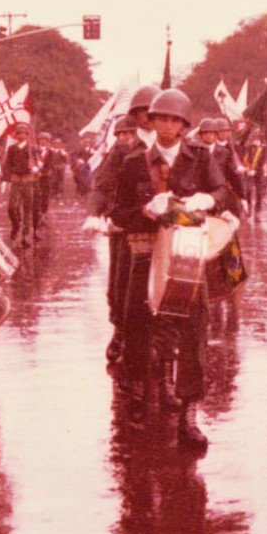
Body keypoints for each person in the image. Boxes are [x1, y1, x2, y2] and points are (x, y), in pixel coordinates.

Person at [109, 88, 229, 450]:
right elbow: (118, 213)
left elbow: (225, 192)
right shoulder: (133, 162)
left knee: (194, 332)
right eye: (161, 118)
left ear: (184, 125)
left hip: (189, 256)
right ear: (151, 121)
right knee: (137, 326)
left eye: (175, 120)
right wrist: (144, 211)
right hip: (146, 253)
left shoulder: (199, 157)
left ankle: (189, 413)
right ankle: (141, 393)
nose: (167, 126)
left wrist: (207, 198)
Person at [89, 85, 158, 369]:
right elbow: (103, 185)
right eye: (143, 112)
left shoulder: (172, 146)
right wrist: (96, 213)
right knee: (122, 286)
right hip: (127, 227)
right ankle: (120, 330)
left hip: (165, 229)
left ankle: (160, 341)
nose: (149, 117)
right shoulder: (123, 149)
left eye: (154, 112)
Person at [3, 123, 38, 247]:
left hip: (28, 180)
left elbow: (37, 163)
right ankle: (16, 225)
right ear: (16, 135)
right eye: (19, 133)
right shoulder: (12, 149)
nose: (21, 136)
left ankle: (26, 234)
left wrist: (35, 167)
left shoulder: (32, 148)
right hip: (16, 180)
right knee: (12, 207)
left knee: (27, 209)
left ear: (28, 135)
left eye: (23, 133)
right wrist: (5, 179)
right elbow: (7, 164)